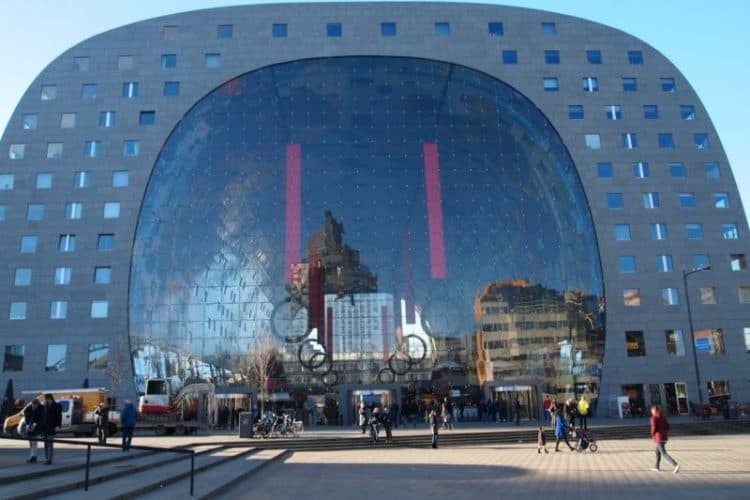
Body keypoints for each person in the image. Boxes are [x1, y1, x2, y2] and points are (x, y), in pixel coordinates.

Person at [650, 405, 680, 473]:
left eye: (652, 411)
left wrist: (652, 434)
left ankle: (675, 465)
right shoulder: (663, 417)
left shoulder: (653, 417)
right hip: (664, 437)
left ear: (654, 411)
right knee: (657, 451)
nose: (651, 412)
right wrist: (664, 432)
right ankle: (656, 466)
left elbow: (653, 427)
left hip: (659, 438)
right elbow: (668, 427)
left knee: (663, 453)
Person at [40, 393, 62, 465]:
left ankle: (49, 459)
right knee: (45, 444)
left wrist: (58, 425)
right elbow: (42, 417)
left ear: (50, 399)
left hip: (51, 427)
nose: (47, 401)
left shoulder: (56, 405)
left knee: (49, 444)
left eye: (47, 399)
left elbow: (59, 416)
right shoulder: (44, 405)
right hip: (44, 428)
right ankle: (47, 458)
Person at [23, 399, 43, 463]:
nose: (34, 407)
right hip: (30, 426)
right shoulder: (27, 409)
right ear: (32, 404)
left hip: (37, 427)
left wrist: (34, 425)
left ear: (37, 404)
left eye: (36, 406)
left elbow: (40, 418)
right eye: (33, 405)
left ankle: (33, 456)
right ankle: (33, 456)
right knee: (32, 442)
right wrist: (28, 426)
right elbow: (27, 419)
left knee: (34, 442)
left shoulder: (40, 408)